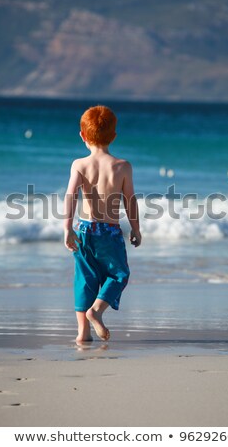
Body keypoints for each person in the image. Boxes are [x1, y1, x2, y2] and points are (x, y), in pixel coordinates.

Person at [63, 105, 141, 344]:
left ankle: (82, 333)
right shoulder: (122, 166)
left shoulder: (80, 164)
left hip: (84, 230)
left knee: (85, 279)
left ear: (83, 136)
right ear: (114, 136)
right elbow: (130, 201)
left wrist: (67, 228)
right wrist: (136, 229)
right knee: (119, 275)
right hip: (110, 232)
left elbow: (70, 196)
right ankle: (97, 310)